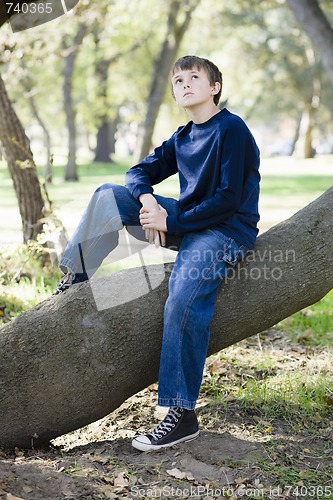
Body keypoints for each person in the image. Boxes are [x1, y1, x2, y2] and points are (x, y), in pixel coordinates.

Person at [54, 55, 260, 452]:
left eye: (194, 77)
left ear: (214, 86)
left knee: (181, 299)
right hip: (185, 220)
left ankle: (182, 415)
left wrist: (171, 223)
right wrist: (150, 204)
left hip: (224, 231)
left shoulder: (231, 128)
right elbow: (136, 172)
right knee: (109, 196)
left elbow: (228, 200)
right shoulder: (182, 137)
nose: (184, 84)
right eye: (178, 80)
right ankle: (75, 278)